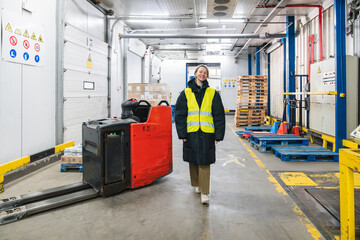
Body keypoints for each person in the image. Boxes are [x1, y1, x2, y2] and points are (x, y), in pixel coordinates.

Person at [175, 65, 225, 204]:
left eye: (205, 72)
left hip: (207, 133)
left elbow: (219, 115)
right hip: (191, 132)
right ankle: (196, 184)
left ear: (206, 76)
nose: (202, 74)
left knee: (204, 161)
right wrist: (182, 134)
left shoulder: (212, 93)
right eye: (200, 72)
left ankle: (204, 192)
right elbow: (179, 115)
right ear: (195, 73)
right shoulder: (185, 93)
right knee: (193, 160)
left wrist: (218, 135)